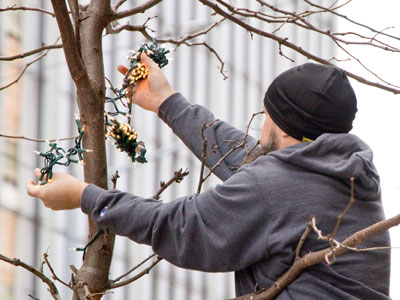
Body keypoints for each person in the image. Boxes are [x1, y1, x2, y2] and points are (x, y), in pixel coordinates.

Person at [27, 54, 391, 299]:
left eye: (266, 115)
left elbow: (178, 227)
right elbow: (249, 160)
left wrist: (85, 198)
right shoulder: (347, 177)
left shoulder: (272, 188)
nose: (261, 123)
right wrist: (166, 102)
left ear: (281, 125)